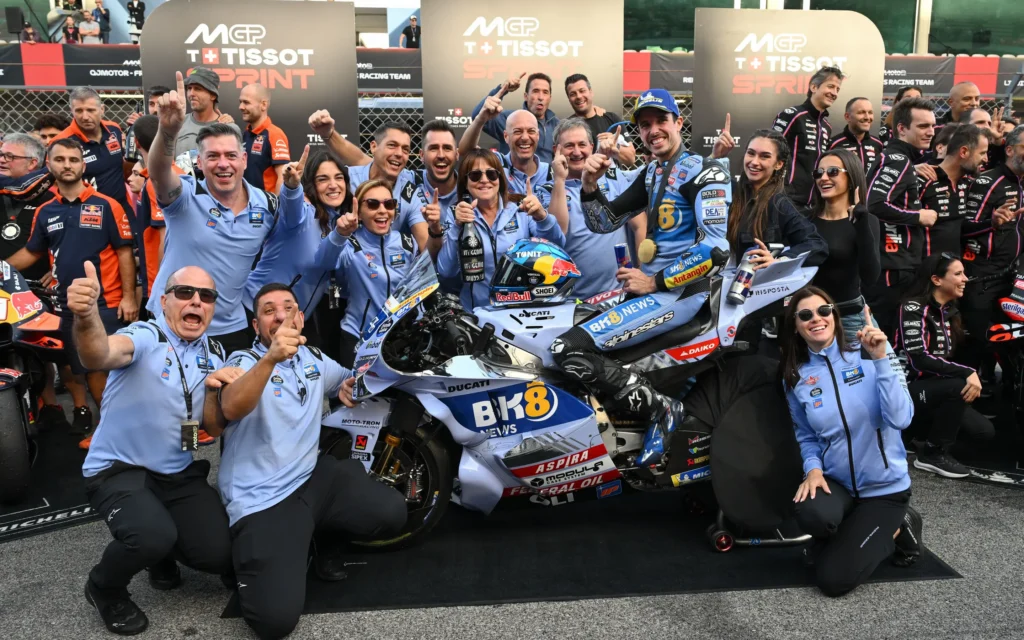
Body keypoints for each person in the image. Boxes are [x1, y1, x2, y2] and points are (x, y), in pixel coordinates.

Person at [549, 88, 732, 468]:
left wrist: (654, 283)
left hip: (681, 294)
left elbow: (715, 250)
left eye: (661, 120)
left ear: (679, 122)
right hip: (652, 292)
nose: (653, 130)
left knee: (568, 348)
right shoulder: (652, 172)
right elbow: (604, 222)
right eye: (645, 125)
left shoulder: (708, 171)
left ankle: (663, 410)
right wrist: (589, 185)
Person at [214, 283, 407, 640]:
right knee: (274, 622)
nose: (280, 315)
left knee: (392, 512)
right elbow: (230, 406)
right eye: (268, 311)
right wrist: (270, 359)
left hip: (312, 480)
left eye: (288, 307)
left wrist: (350, 385)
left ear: (301, 318)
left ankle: (318, 538)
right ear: (256, 326)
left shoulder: (312, 358)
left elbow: (346, 381)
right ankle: (250, 556)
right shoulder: (243, 361)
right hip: (263, 500)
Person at [72, 264, 235, 636]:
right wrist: (86, 316)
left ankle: (160, 548)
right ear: (164, 301)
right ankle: (103, 587)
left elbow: (205, 425)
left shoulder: (215, 352)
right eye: (184, 292)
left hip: (176, 471)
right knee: (150, 536)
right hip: (119, 469)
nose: (196, 301)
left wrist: (216, 394)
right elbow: (99, 354)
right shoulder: (146, 334)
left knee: (220, 553)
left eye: (206, 296)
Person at [146, 71, 300, 356]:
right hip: (172, 323)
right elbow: (158, 172)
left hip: (231, 328)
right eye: (213, 156)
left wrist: (293, 190)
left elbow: (294, 237)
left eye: (230, 155)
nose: (223, 164)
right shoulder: (185, 196)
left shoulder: (267, 205)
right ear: (199, 163)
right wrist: (167, 132)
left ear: (244, 160)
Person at [782, 286, 921, 598]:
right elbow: (806, 435)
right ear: (795, 325)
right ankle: (850, 534)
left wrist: (881, 359)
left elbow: (901, 419)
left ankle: (900, 527)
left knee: (832, 579)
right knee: (810, 513)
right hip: (839, 485)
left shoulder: (871, 352)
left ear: (834, 314)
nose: (816, 318)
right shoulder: (796, 375)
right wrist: (813, 470)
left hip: (884, 491)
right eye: (805, 315)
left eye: (824, 310)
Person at [6, 138, 136, 445]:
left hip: (106, 304)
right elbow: (32, 252)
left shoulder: (107, 205)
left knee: (110, 371)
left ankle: (122, 436)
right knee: (87, 371)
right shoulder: (45, 211)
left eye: (74, 160)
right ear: (49, 164)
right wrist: (2, 268)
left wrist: (130, 297)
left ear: (83, 165)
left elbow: (124, 253)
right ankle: (109, 434)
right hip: (66, 307)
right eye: (60, 159)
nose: (67, 165)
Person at [894, 254, 994, 478]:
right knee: (958, 385)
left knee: (983, 433)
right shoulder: (912, 307)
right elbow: (918, 358)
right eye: (958, 274)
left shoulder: (950, 311)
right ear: (937, 280)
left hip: (933, 390)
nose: (965, 279)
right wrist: (967, 372)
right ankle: (932, 453)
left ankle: (917, 438)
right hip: (902, 389)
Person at [249, 148, 352, 359]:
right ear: (311, 185)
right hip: (255, 312)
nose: (333, 185)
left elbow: (326, 261)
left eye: (339, 177)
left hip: (294, 319)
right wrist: (291, 187)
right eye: (323, 179)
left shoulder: (339, 221)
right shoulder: (304, 213)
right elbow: (291, 209)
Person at [435, 149, 565, 310]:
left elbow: (557, 248)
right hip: (476, 315)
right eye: (475, 175)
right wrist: (457, 227)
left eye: (491, 174)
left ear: (500, 179)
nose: (484, 180)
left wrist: (542, 217)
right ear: (465, 182)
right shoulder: (457, 213)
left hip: (521, 311)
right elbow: (445, 271)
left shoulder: (521, 208)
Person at [0, 134, 69, 432]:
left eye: (9, 156)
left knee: (47, 349)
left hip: (35, 288)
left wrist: (57, 268)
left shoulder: (51, 195)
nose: (2, 160)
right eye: (1, 154)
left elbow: (68, 238)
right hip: (1, 287)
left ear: (32, 163)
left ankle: (55, 406)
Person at [539, 117, 645, 300]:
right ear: (556, 150)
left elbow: (639, 226)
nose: (577, 152)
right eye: (569, 146)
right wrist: (559, 180)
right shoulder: (548, 190)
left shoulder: (613, 177)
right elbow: (557, 236)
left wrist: (642, 272)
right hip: (573, 300)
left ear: (591, 146)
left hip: (619, 294)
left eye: (582, 144)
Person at [314, 179, 414, 366]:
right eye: (373, 204)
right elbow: (323, 263)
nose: (382, 210)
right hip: (359, 337)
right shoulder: (349, 244)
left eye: (389, 204)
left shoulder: (407, 242)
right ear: (359, 212)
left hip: (402, 338)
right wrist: (339, 234)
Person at [863, 97, 938, 338]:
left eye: (932, 126)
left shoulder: (901, 159)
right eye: (923, 126)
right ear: (902, 129)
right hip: (891, 269)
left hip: (896, 266)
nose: (931, 132)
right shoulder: (898, 159)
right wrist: (918, 217)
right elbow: (874, 204)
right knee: (882, 338)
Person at [306, 114, 430, 251]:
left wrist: (436, 230)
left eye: (405, 149)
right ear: (373, 147)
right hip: (336, 255)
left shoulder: (410, 192)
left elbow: (427, 248)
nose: (399, 153)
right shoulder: (346, 178)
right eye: (392, 145)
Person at [960, 124, 1024, 374]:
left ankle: (1007, 388)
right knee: (976, 342)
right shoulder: (988, 181)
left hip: (1014, 276)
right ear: (1009, 150)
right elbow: (962, 228)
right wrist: (992, 223)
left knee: (1011, 343)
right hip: (982, 276)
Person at [727, 130, 828, 269]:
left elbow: (817, 245)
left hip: (753, 281)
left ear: (779, 164)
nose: (754, 162)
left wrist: (779, 261)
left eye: (764, 156)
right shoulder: (727, 190)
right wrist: (715, 157)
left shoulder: (779, 205)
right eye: (751, 153)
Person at [808, 149, 881, 337]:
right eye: (819, 173)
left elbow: (871, 277)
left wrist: (861, 225)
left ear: (851, 177)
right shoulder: (804, 220)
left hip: (849, 320)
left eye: (833, 171)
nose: (823, 178)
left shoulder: (867, 221)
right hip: (809, 319)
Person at [51, 87, 134, 220]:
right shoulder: (61, 142)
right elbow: (52, 181)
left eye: (90, 110)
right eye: (79, 111)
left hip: (121, 208)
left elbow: (121, 165)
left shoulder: (114, 129)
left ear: (102, 109)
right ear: (71, 111)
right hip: (88, 213)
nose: (85, 117)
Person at [772, 66, 844, 206]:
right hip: (787, 199)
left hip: (815, 202)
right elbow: (771, 152)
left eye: (837, 89)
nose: (834, 93)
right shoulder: (792, 115)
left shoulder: (826, 126)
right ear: (813, 87)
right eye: (830, 86)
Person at [918, 124, 988, 257]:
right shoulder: (923, 179)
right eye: (982, 153)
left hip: (954, 266)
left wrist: (992, 223)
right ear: (963, 152)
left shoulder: (968, 184)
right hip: (923, 267)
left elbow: (962, 229)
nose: (986, 159)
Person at [459, 103, 550, 196]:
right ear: (506, 136)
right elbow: (466, 153)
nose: (525, 137)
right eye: (517, 131)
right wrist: (480, 120)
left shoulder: (551, 173)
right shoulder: (495, 163)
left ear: (538, 135)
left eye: (531, 131)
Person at [470, 71, 559, 163]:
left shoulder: (557, 125)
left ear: (550, 98)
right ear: (526, 96)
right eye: (535, 91)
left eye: (545, 92)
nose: (540, 97)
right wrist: (503, 89)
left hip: (547, 172)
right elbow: (478, 115)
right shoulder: (509, 119)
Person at [563, 73, 636, 166]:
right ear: (569, 99)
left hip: (613, 175)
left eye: (582, 91)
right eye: (573, 94)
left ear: (591, 92)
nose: (579, 96)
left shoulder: (611, 119)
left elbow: (631, 159)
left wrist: (614, 146)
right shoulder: (566, 127)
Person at [173, 67, 241, 159]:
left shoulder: (230, 128)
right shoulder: (178, 124)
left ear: (213, 95)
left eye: (198, 89)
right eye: (189, 88)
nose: (191, 93)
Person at [240, 83, 290, 193]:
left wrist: (276, 203)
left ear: (263, 105)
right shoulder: (244, 135)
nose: (241, 107)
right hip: (244, 201)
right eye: (240, 102)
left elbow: (283, 176)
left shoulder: (275, 134)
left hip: (265, 203)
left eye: (246, 102)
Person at [828, 97, 884, 172]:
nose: (867, 117)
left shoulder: (878, 144)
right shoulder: (834, 144)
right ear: (847, 117)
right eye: (861, 112)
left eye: (870, 112)